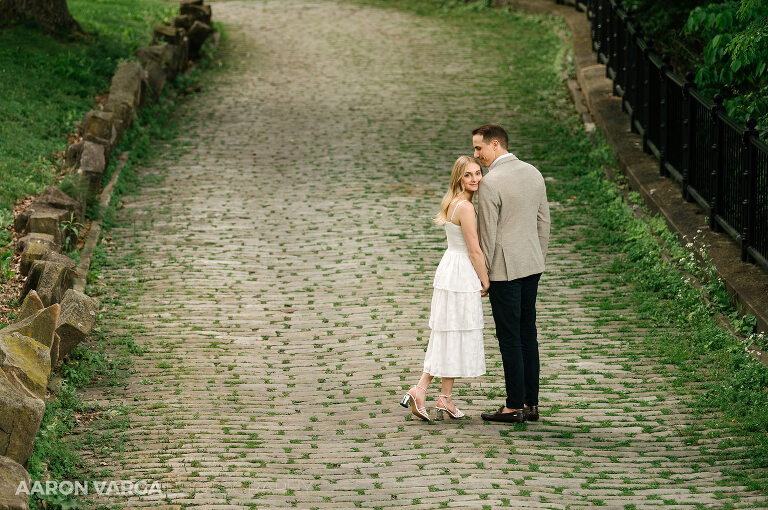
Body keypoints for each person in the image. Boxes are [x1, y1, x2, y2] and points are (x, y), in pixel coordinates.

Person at [400, 155, 490, 421]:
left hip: (451, 266)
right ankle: (421, 388)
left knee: (452, 331)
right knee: (451, 332)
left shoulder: (452, 202)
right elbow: (474, 250)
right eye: (468, 175)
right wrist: (485, 279)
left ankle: (444, 398)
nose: (475, 179)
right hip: (461, 271)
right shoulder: (466, 207)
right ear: (458, 178)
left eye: (478, 173)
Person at [472, 123, 550, 423]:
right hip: (532, 265)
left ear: (495, 144)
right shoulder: (533, 172)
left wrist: (485, 275)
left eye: (479, 148)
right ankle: (531, 404)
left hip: (504, 270)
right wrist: (537, 257)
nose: (476, 155)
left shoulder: (491, 183)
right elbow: (544, 222)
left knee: (509, 338)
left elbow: (488, 235)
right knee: (528, 333)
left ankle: (513, 405)